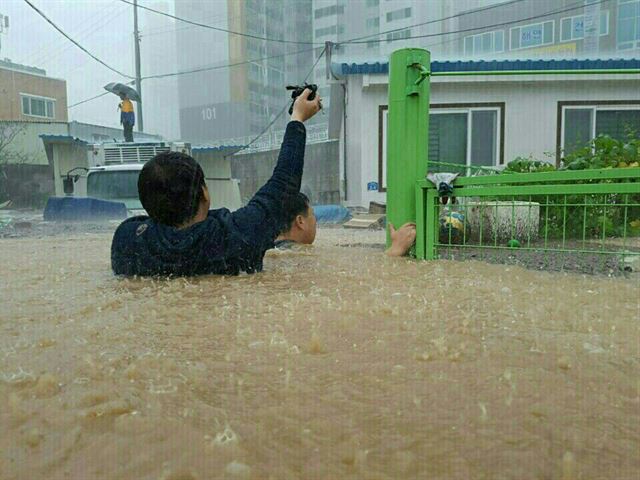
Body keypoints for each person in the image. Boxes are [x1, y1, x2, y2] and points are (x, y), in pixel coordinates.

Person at [111, 88, 322, 276]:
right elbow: (283, 183)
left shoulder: (127, 240)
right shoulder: (232, 238)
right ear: (205, 193)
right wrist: (297, 118)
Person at [273, 191, 416, 257]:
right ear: (300, 221)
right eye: (313, 215)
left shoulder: (273, 249)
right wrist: (396, 249)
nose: (315, 221)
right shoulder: (297, 256)